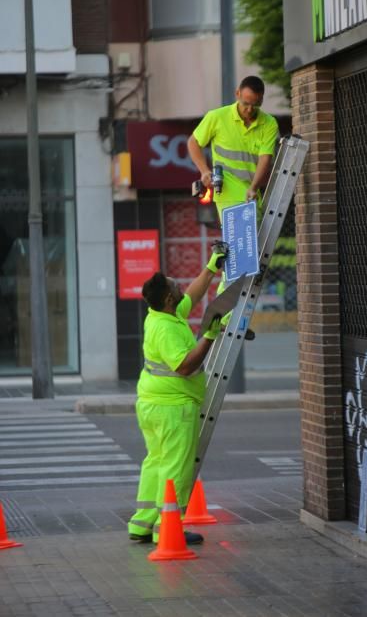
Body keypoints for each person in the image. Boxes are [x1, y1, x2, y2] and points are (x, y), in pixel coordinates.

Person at [127, 242, 228, 545]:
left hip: (152, 404)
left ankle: (142, 523)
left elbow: (194, 295)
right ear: (170, 298)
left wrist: (211, 268)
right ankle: (167, 527)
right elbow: (184, 367)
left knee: (156, 462)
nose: (180, 283)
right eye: (175, 284)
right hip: (173, 408)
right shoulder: (167, 329)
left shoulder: (161, 315)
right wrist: (209, 336)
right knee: (176, 466)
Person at [187, 75, 279, 218]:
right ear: (237, 94)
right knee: (243, 236)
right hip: (227, 193)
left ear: (261, 100)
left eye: (255, 105)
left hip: (252, 192)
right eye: (246, 103)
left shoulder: (269, 123)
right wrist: (204, 171)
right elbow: (193, 143)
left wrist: (254, 187)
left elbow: (265, 159)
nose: (249, 110)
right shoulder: (217, 117)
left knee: (250, 238)